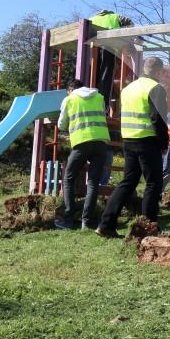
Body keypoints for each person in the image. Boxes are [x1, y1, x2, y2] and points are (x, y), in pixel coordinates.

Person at [97, 57, 169, 238]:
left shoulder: (128, 88)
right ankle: (148, 227)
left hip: (128, 140)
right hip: (147, 141)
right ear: (159, 71)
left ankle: (106, 224)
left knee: (128, 182)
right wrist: (164, 143)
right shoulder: (156, 88)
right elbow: (158, 118)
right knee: (153, 183)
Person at [54, 79, 112, 230]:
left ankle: (68, 219)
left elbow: (61, 125)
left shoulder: (69, 99)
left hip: (81, 142)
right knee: (93, 182)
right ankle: (86, 222)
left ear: (71, 89)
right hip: (101, 142)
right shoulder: (99, 97)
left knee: (68, 179)